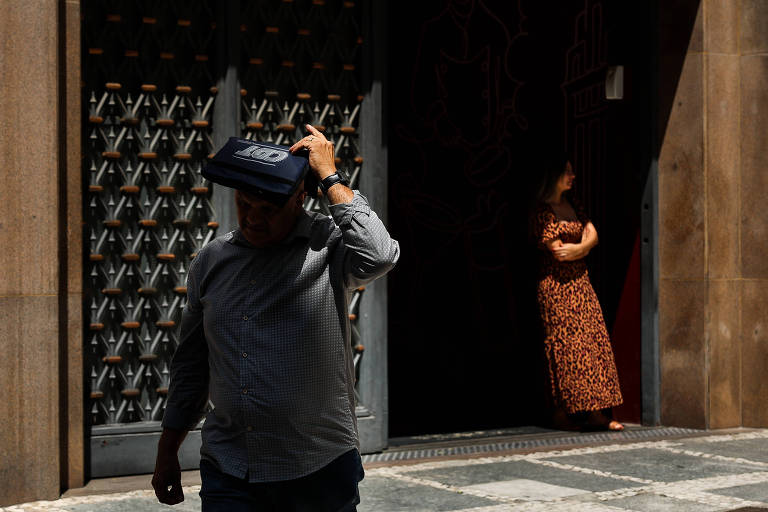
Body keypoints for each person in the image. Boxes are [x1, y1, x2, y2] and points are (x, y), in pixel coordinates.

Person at [152, 124, 400, 511]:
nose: (253, 219)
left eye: (268, 210)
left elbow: (380, 255)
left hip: (318, 469)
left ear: (300, 199)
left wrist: (329, 177)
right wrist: (167, 452)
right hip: (231, 468)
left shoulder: (328, 245)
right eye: (244, 205)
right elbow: (191, 366)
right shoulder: (211, 261)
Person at [533, 154, 623, 432]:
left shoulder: (574, 204)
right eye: (567, 172)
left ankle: (596, 410)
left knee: (593, 343)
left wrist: (581, 249)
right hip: (557, 288)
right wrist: (581, 248)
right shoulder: (543, 210)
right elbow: (559, 252)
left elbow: (592, 233)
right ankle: (565, 411)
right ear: (554, 175)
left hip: (581, 283)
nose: (572, 177)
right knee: (567, 347)